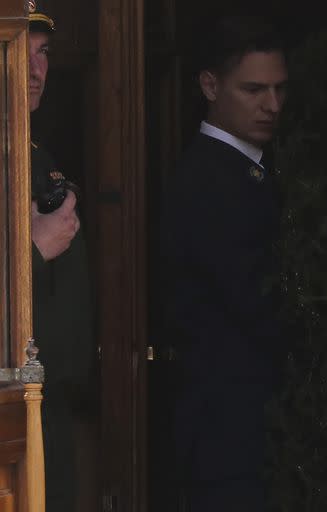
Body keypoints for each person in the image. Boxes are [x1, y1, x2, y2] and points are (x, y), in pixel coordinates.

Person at [163, 15, 288, 512]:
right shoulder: (209, 182)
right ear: (210, 85)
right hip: (227, 433)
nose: (272, 105)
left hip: (243, 427)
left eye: (280, 89)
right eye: (254, 89)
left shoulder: (246, 169)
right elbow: (258, 303)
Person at [28, 3, 96, 512]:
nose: (35, 71)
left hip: (48, 398)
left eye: (43, 53)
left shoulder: (31, 150)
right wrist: (34, 246)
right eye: (16, 53)